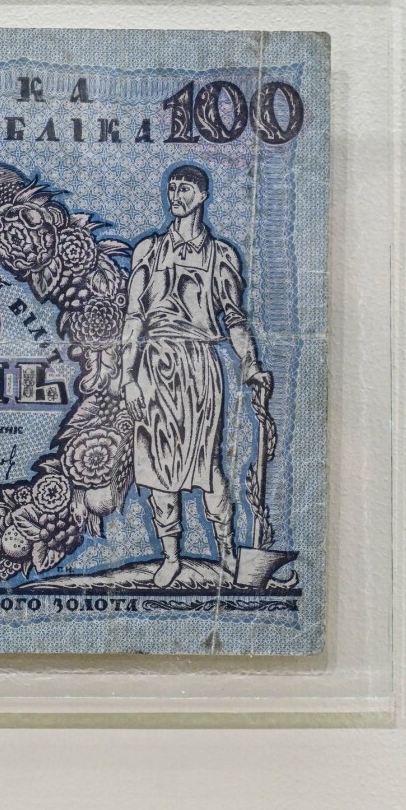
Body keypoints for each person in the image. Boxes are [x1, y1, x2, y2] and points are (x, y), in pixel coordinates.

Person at [119, 163, 270, 587]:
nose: (176, 195)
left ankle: (227, 551)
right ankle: (171, 556)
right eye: (172, 188)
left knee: (207, 464)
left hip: (199, 366)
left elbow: (235, 320)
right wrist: (127, 377)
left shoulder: (221, 255)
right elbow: (133, 317)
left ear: (202, 195)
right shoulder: (148, 250)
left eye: (185, 188)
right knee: (156, 464)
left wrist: (251, 365)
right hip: (153, 365)